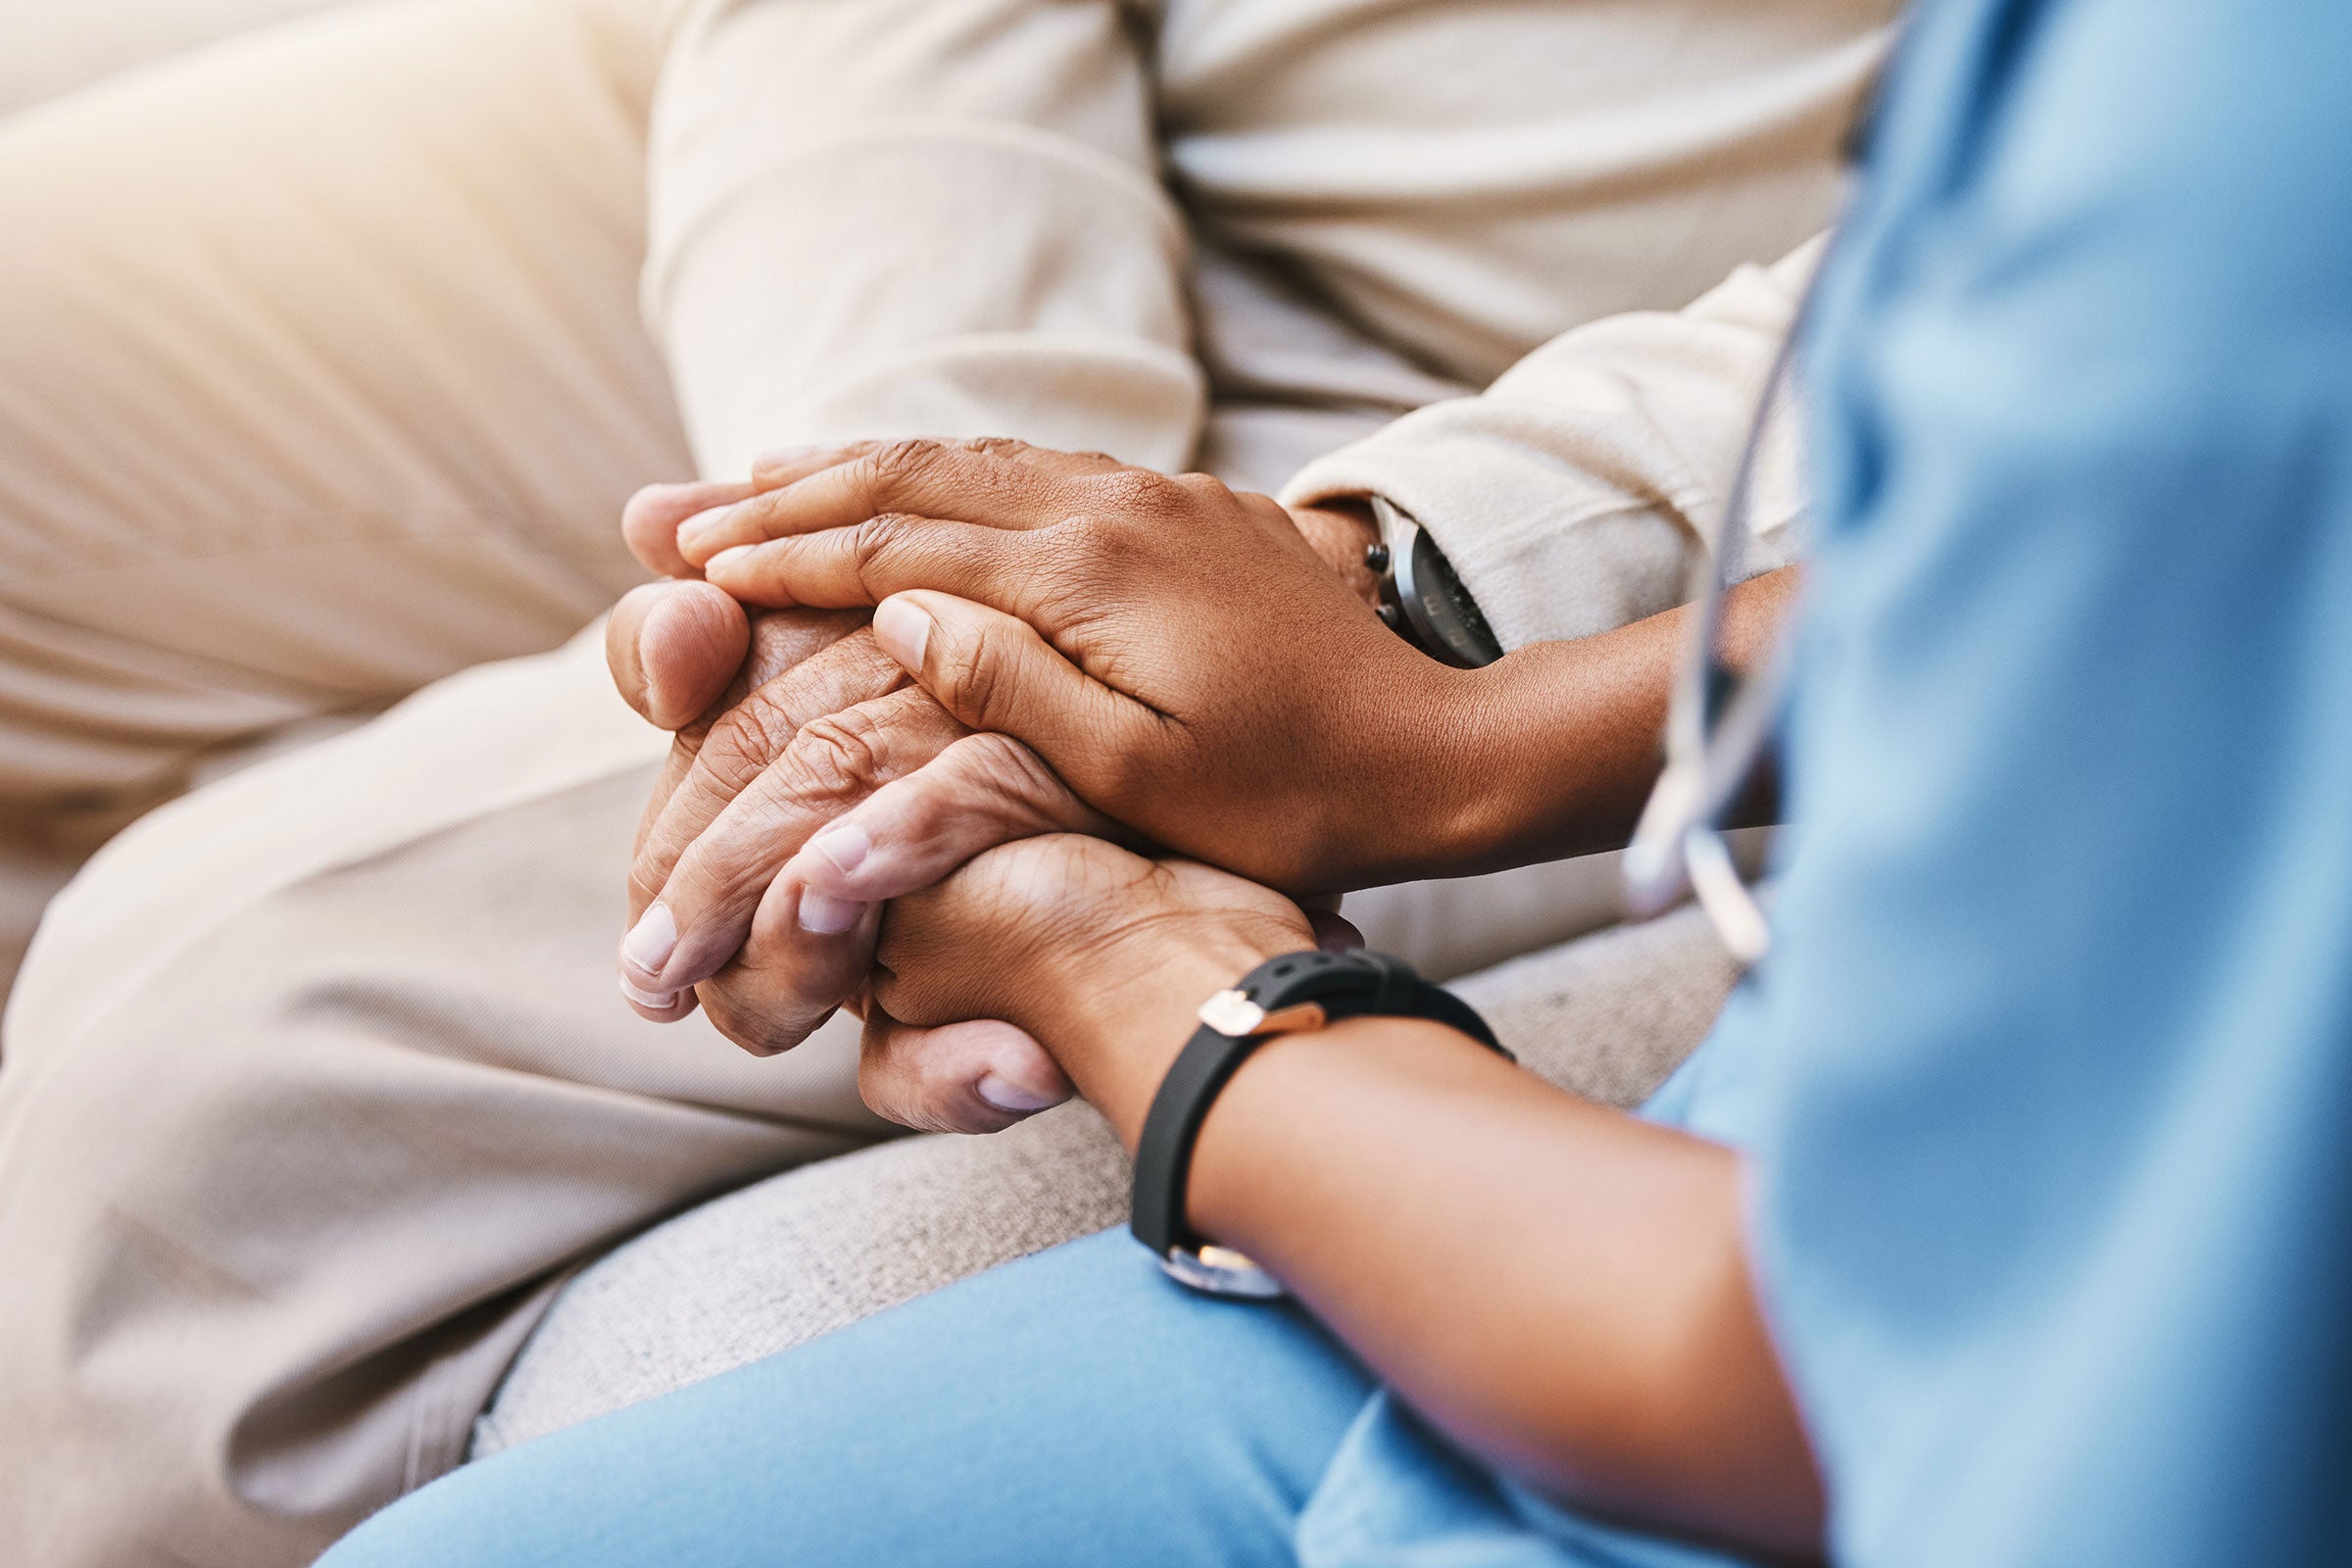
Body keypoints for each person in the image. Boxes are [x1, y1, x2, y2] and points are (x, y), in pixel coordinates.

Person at [317, 0, 2352, 1562]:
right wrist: (1428, 736)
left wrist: (1175, 991)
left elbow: (1847, 1371)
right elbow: (2121, 540)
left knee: (282, 1048)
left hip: (1779, 1386)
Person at [0, 2, 1890, 1564]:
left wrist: (1384, 590)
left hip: (1632, 394)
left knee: (210, 1032)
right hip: (958, 101)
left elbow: (2134, 304)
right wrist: (908, 517)